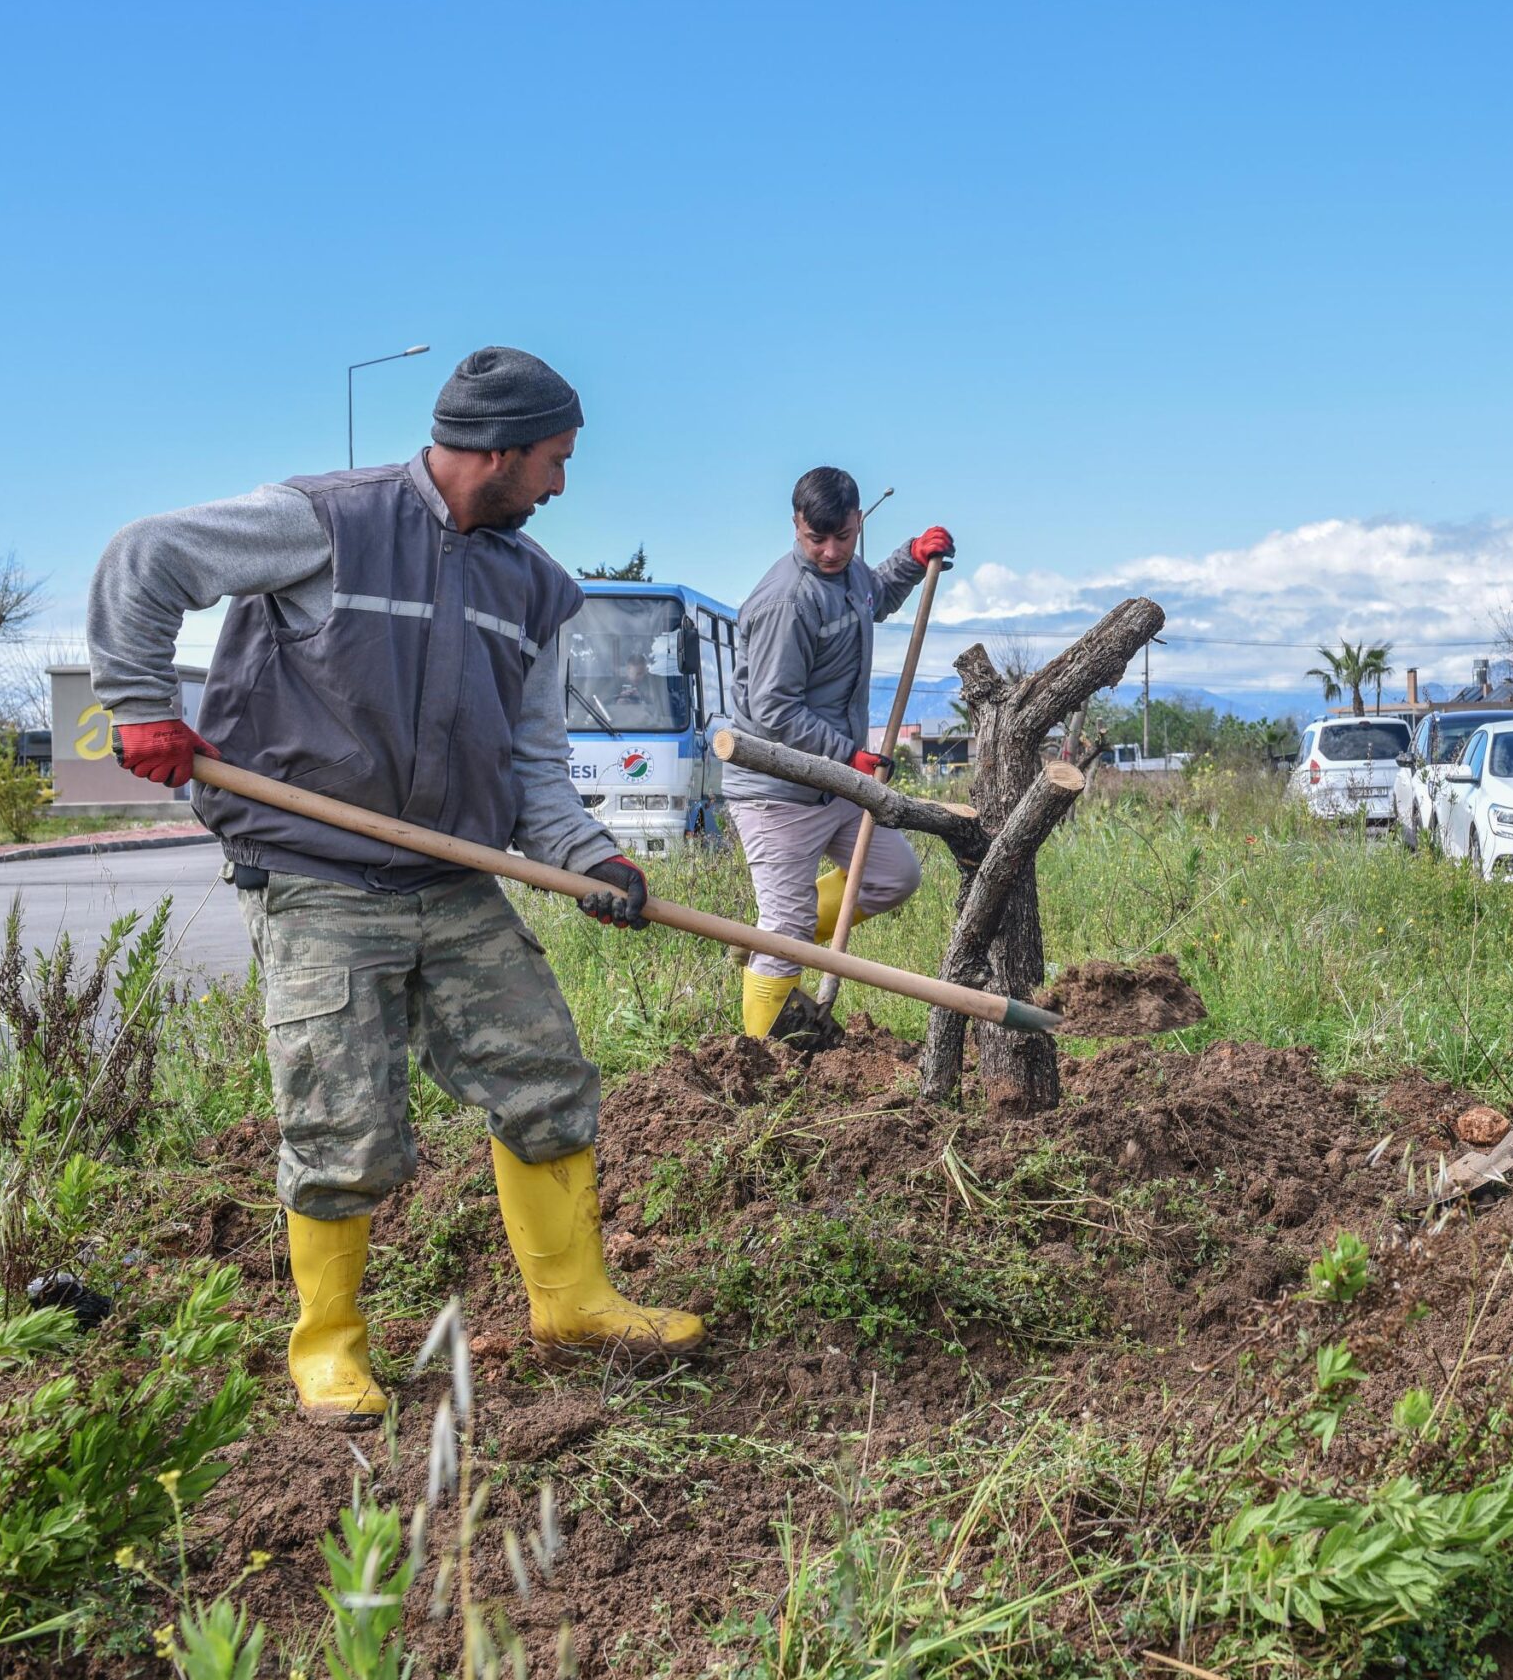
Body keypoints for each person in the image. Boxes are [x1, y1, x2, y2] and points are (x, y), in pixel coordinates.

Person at [87, 346, 702, 1423]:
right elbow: (147, 557)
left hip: (450, 875)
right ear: (498, 452)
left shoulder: (534, 587)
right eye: (554, 460)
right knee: (340, 1121)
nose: (560, 485)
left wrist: (586, 857)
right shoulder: (326, 521)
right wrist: (139, 700)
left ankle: (574, 1300)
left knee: (545, 1076)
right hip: (313, 870)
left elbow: (532, 764)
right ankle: (328, 1344)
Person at [722, 467, 954, 1036]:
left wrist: (912, 557)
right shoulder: (787, 601)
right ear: (796, 526)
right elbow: (774, 710)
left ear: (858, 523)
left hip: (836, 782)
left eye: (842, 538)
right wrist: (849, 756)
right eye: (814, 539)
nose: (829, 552)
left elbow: (873, 594)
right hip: (777, 792)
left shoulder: (850, 575)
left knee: (893, 877)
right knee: (788, 924)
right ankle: (757, 1059)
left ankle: (771, 948)